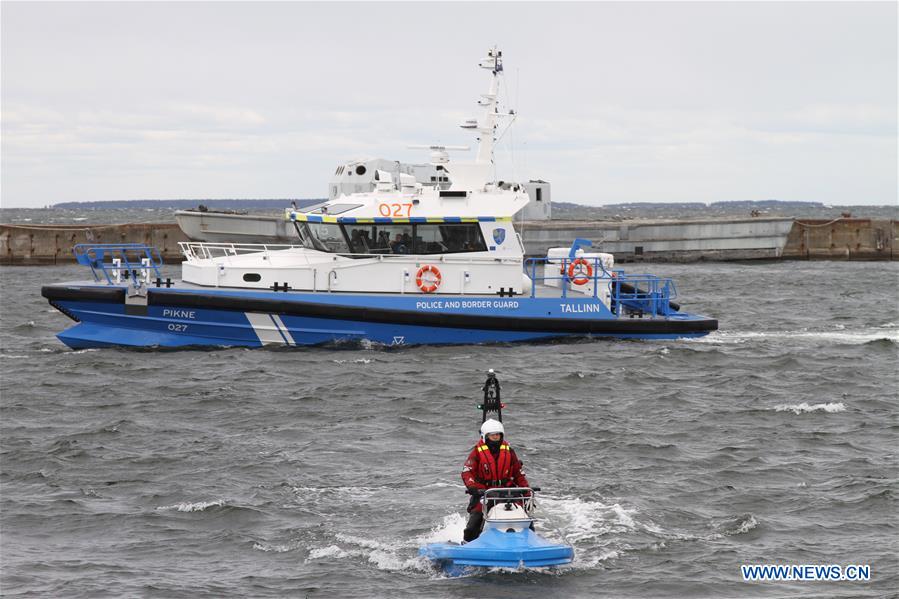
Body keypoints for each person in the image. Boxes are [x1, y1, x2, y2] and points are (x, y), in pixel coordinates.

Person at [460, 419, 530, 542]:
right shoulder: (477, 452)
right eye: (493, 436)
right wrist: (473, 487)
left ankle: (530, 541)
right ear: (485, 436)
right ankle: (468, 544)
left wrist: (526, 491)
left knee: (525, 519)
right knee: (474, 524)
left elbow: (518, 473)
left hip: (508, 492)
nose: (496, 438)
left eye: (498, 435)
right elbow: (467, 471)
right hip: (485, 492)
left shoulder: (509, 451)